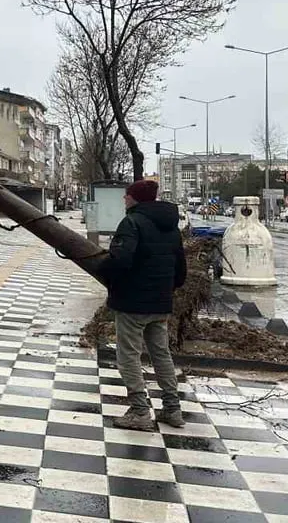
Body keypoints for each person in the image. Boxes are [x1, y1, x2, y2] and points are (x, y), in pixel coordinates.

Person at [102, 179, 186, 431]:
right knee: (161, 354)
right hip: (160, 302)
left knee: (128, 355)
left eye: (126, 195)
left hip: (132, 302)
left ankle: (140, 411)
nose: (123, 199)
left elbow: (120, 261)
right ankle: (172, 408)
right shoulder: (171, 227)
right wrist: (164, 290)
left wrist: (107, 275)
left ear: (135, 198)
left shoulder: (131, 222)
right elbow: (181, 270)